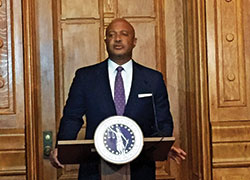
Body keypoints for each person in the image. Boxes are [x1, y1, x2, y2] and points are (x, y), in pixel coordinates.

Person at [50, 18, 186, 179]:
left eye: (124, 34)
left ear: (134, 41)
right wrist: (62, 147)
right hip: (95, 169)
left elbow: (162, 120)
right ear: (106, 41)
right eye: (111, 34)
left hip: (139, 168)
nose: (118, 38)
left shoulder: (153, 79)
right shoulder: (85, 77)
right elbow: (72, 117)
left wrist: (162, 145)